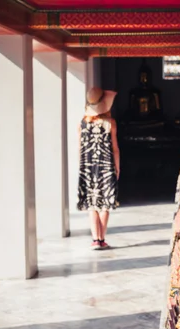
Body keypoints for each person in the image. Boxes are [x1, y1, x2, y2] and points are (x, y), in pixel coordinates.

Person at [77, 87, 120, 250]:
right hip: (106, 167)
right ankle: (102, 239)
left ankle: (95, 239)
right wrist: (117, 167)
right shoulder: (110, 123)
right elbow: (115, 148)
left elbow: (80, 148)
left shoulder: (82, 123)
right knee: (105, 204)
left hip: (88, 167)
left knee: (92, 205)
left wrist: (82, 168)